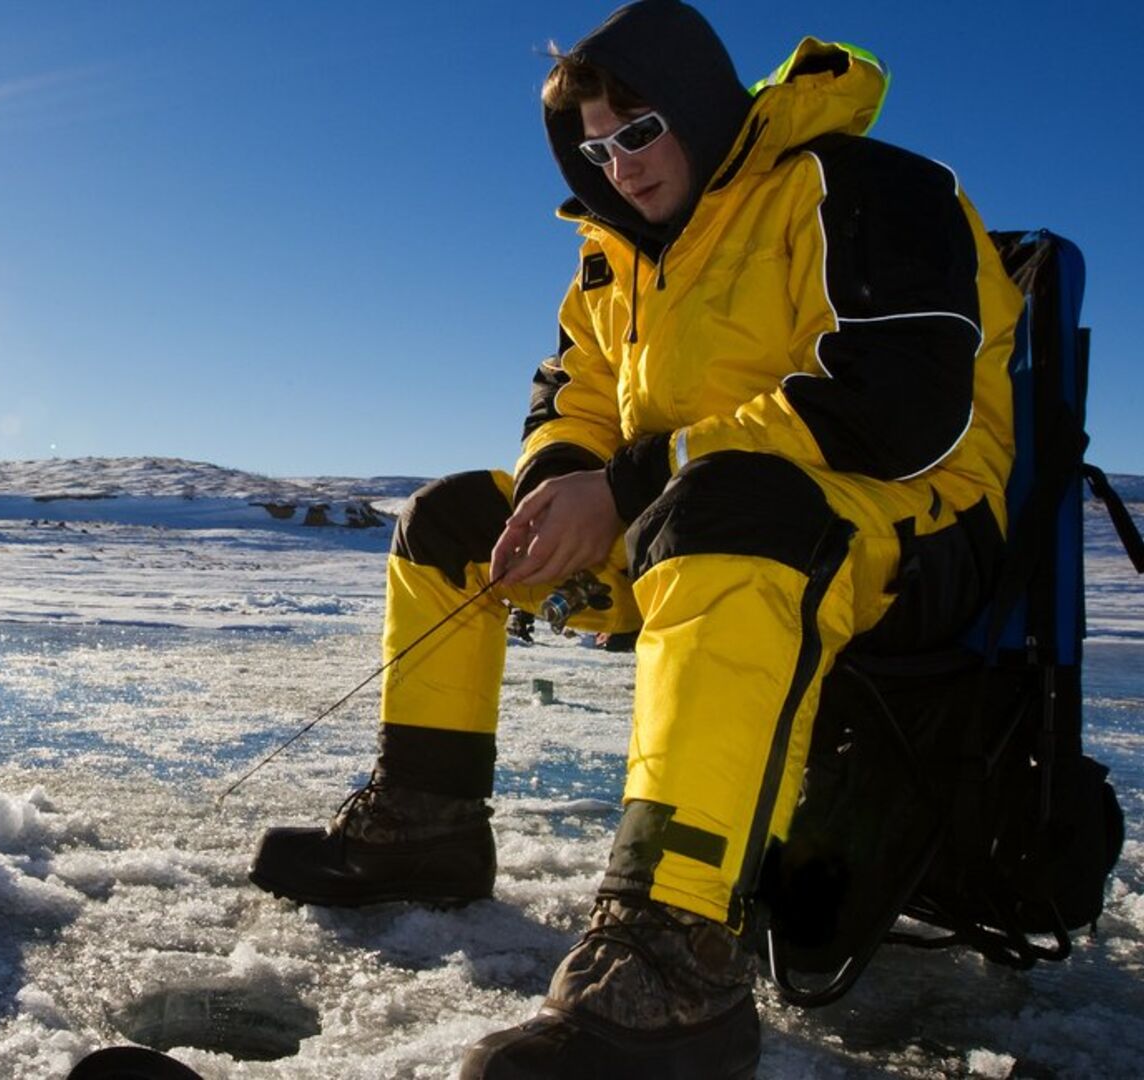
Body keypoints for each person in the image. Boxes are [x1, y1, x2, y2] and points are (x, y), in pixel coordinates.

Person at [247, 1, 1023, 1075]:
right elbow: (573, 399)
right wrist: (564, 485)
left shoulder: (862, 185)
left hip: (909, 522)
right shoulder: (616, 258)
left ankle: (673, 956)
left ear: (701, 106)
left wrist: (628, 488)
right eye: (595, 145)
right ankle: (427, 825)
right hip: (685, 514)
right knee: (453, 524)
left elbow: (902, 403)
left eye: (640, 129)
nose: (617, 164)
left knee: (729, 511)